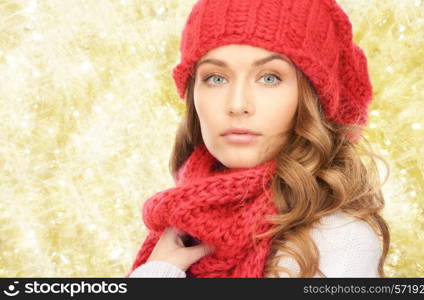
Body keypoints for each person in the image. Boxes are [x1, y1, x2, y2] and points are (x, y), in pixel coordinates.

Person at [127, 0, 391, 278]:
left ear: (310, 98)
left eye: (269, 78)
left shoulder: (336, 240)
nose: (238, 104)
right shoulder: (182, 222)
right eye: (216, 78)